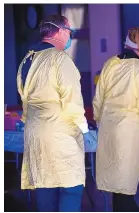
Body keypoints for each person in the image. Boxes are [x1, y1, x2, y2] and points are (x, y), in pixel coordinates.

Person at [16, 15, 97, 212]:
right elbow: (72, 101)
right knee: (71, 188)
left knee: (45, 187)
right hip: (59, 134)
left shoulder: (27, 59)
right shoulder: (59, 59)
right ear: (59, 31)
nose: (70, 36)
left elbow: (25, 100)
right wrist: (85, 131)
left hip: (35, 133)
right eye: (69, 31)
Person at [93, 27, 139, 212]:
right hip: (128, 132)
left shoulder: (110, 64)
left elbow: (98, 98)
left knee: (116, 185)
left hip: (108, 129)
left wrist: (99, 121)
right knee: (125, 184)